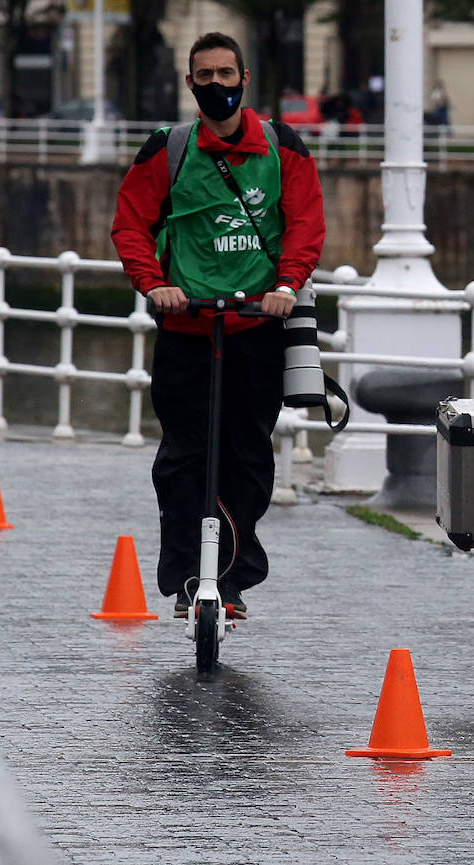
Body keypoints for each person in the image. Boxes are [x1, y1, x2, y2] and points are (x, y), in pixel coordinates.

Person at [111, 32, 325, 618]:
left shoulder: (283, 148)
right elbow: (130, 225)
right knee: (183, 457)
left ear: (244, 78)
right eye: (203, 75)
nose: (215, 85)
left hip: (257, 328)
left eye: (224, 74)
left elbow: (305, 225)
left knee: (248, 455)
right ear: (189, 83)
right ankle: (185, 574)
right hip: (186, 331)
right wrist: (155, 284)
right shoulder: (167, 150)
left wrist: (285, 287)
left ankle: (231, 575)